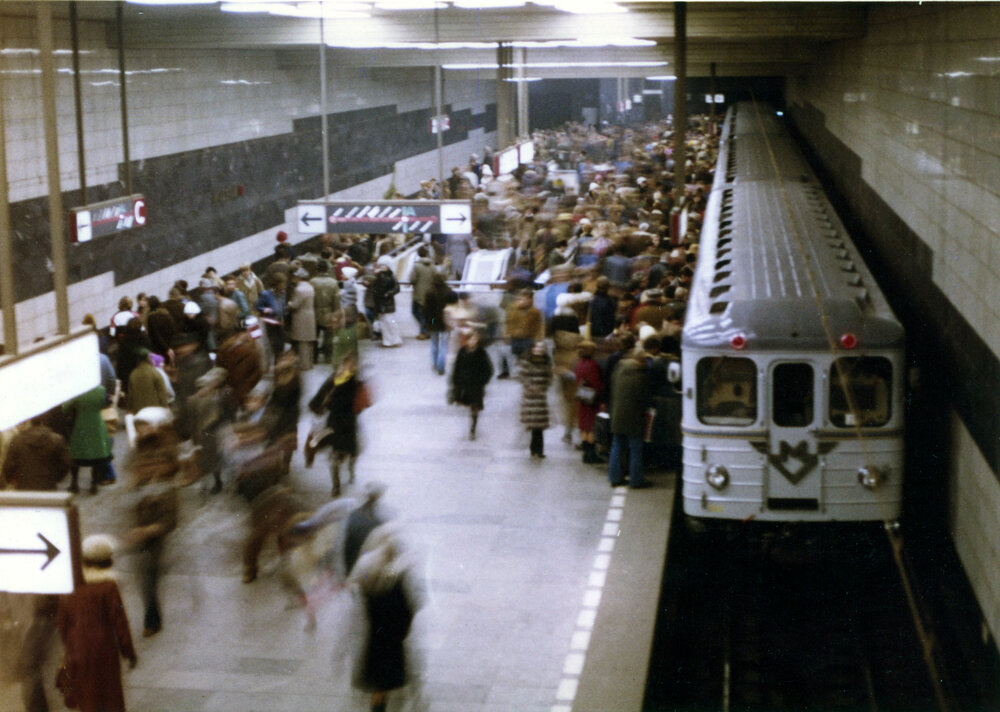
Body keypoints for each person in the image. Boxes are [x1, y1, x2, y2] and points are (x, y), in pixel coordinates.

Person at [55, 535, 137, 712]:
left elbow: (62, 623)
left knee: (87, 695)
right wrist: (129, 652)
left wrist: (69, 646)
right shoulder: (109, 586)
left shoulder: (71, 585)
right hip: (104, 647)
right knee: (110, 694)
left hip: (77, 647)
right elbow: (120, 622)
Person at [348, 524, 420, 712]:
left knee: (379, 684)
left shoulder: (367, 569)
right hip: (392, 638)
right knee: (384, 683)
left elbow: (357, 586)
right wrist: (404, 631)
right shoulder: (395, 576)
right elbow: (406, 608)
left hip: (375, 635)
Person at [307, 355, 364, 497]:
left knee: (351, 453)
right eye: (345, 365)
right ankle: (336, 486)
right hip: (335, 424)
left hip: (349, 425)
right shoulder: (333, 379)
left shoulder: (355, 383)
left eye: (350, 366)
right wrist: (316, 405)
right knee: (335, 456)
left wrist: (330, 402)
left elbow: (355, 405)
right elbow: (318, 398)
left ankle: (351, 470)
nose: (346, 369)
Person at [607, 349, 652, 489]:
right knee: (636, 448)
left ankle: (614, 477)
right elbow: (644, 397)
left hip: (617, 413)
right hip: (634, 416)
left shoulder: (619, 369)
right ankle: (636, 480)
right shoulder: (641, 375)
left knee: (617, 446)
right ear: (642, 361)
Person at [64, 385, 116, 494]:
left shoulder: (77, 389)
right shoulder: (101, 389)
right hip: (97, 425)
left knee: (76, 455)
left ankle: (74, 484)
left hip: (81, 425)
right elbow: (105, 403)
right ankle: (94, 484)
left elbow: (65, 407)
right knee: (97, 455)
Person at [450, 329, 493, 440]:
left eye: (475, 339)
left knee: (475, 407)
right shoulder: (462, 351)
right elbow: (456, 367)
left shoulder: (481, 352)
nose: (473, 342)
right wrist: (455, 382)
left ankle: (473, 428)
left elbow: (488, 369)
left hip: (476, 385)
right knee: (467, 404)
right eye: (471, 339)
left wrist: (483, 381)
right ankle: (471, 423)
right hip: (464, 384)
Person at [520, 340, 553, 458]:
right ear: (532, 349)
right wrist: (529, 386)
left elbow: (549, 377)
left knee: (539, 426)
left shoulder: (546, 362)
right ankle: (534, 449)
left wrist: (543, 388)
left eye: (541, 347)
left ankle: (538, 450)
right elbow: (522, 376)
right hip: (530, 398)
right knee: (534, 425)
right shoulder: (527, 362)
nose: (539, 350)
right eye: (537, 347)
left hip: (540, 397)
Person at [574, 340, 604, 464]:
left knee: (584, 426)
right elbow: (597, 384)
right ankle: (591, 455)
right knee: (591, 427)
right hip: (592, 400)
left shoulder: (578, 364)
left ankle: (585, 454)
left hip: (582, 398)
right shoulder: (593, 365)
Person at [422, 272, 453, 375]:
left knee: (434, 343)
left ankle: (434, 364)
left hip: (433, 321)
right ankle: (441, 366)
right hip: (445, 321)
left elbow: (425, 309)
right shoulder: (448, 291)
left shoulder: (429, 292)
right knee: (444, 344)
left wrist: (429, 321)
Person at [310, 259, 341, 364]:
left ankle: (314, 358)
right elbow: (336, 300)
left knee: (314, 336)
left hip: (315, 312)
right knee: (328, 337)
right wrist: (336, 314)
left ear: (317, 269)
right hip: (329, 312)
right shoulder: (333, 282)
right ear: (327, 269)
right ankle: (328, 357)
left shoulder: (312, 282)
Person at [287, 267, 317, 371]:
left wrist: (289, 304)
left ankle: (304, 365)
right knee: (308, 342)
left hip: (301, 317)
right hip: (310, 315)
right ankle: (309, 363)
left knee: (302, 342)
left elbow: (295, 305)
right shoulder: (310, 287)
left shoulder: (299, 289)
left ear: (298, 278)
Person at [370, 264, 402, 347]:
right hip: (381, 302)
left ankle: (394, 340)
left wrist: (388, 294)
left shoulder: (391, 276)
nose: (382, 267)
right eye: (381, 265)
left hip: (386, 302)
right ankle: (387, 341)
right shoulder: (380, 275)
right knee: (384, 322)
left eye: (384, 265)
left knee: (389, 321)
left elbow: (397, 288)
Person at [409, 246, 435, 340]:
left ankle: (423, 332)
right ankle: (427, 330)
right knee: (427, 314)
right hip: (430, 294)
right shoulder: (433, 266)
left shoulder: (417, 266)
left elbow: (412, 279)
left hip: (418, 294)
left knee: (415, 311)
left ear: (418, 254)